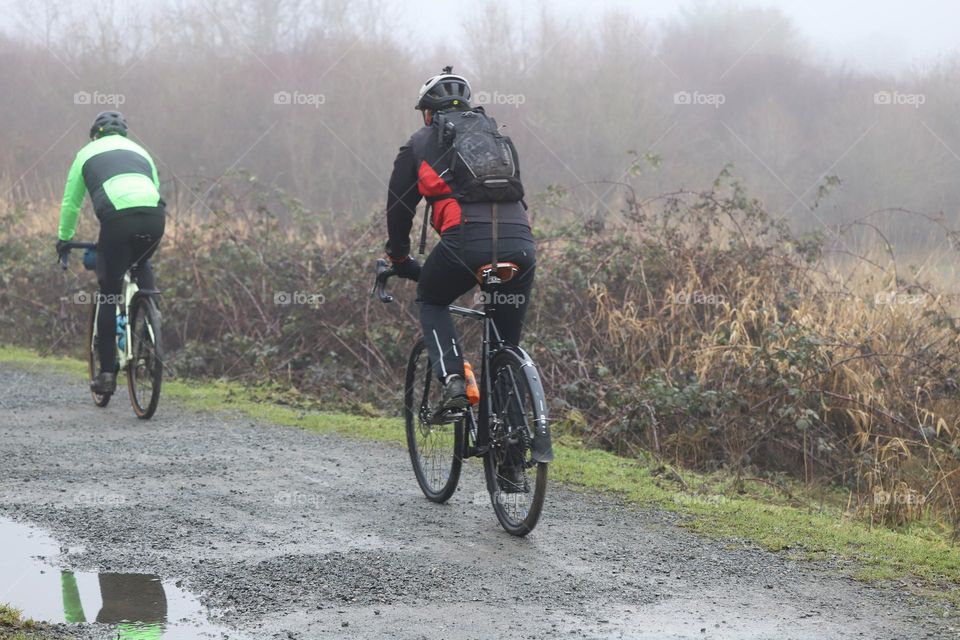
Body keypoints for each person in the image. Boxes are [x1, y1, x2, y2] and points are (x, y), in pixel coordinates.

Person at [384, 68, 535, 484]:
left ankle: (452, 380)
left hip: (464, 244)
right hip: (520, 246)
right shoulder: (496, 138)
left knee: (432, 299)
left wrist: (398, 257)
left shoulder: (419, 144)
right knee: (505, 346)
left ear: (427, 115)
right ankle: (511, 464)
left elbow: (399, 207)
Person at [57, 111, 166, 395]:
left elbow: (71, 204)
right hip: (155, 217)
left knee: (109, 291)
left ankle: (106, 374)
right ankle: (151, 329)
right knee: (142, 263)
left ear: (96, 134)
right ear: (123, 135)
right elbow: (154, 189)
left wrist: (64, 240)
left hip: (118, 220)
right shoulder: (141, 151)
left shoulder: (85, 153)